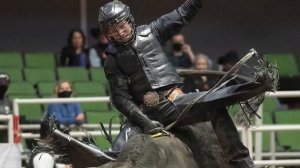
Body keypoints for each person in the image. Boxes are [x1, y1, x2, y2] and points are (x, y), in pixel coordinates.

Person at [96, 0, 277, 167]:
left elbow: (183, 13)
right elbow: (121, 98)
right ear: (107, 34)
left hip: (175, 103)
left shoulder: (153, 31)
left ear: (129, 21)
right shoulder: (112, 61)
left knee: (214, 102)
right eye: (113, 31)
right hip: (145, 114)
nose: (119, 33)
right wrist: (145, 122)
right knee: (110, 156)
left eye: (121, 26)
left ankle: (241, 163)